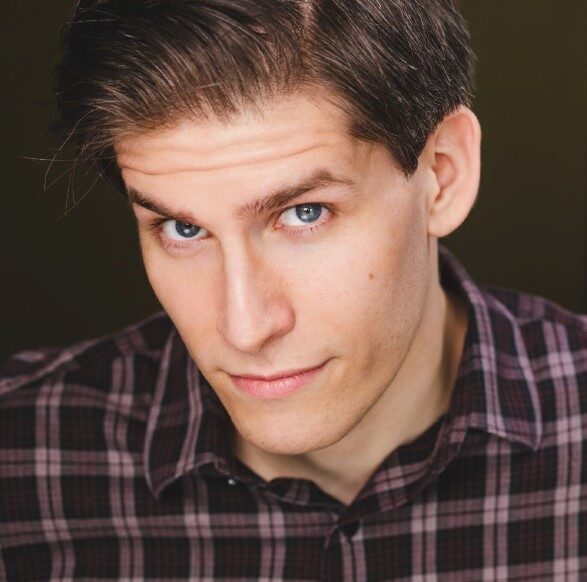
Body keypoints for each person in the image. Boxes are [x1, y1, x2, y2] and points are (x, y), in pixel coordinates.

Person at [0, 0, 585, 579]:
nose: (245, 327)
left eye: (304, 213)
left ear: (442, 174)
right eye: (183, 229)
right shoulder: (20, 464)